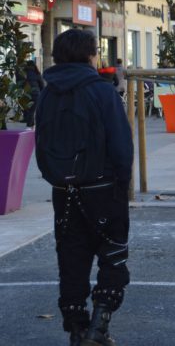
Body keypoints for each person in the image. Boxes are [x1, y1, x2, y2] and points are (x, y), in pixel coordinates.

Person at [35, 29, 133, 346]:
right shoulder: (102, 92)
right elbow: (121, 145)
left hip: (62, 191)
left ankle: (77, 330)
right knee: (112, 254)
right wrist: (122, 181)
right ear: (90, 55)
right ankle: (99, 327)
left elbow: (41, 141)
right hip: (102, 185)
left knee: (71, 259)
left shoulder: (48, 93)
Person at [22, 60, 45, 128]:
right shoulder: (37, 73)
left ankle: (28, 126)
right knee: (32, 111)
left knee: (27, 111)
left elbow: (20, 84)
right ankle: (30, 127)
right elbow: (42, 85)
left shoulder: (23, 73)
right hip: (35, 94)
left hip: (25, 94)